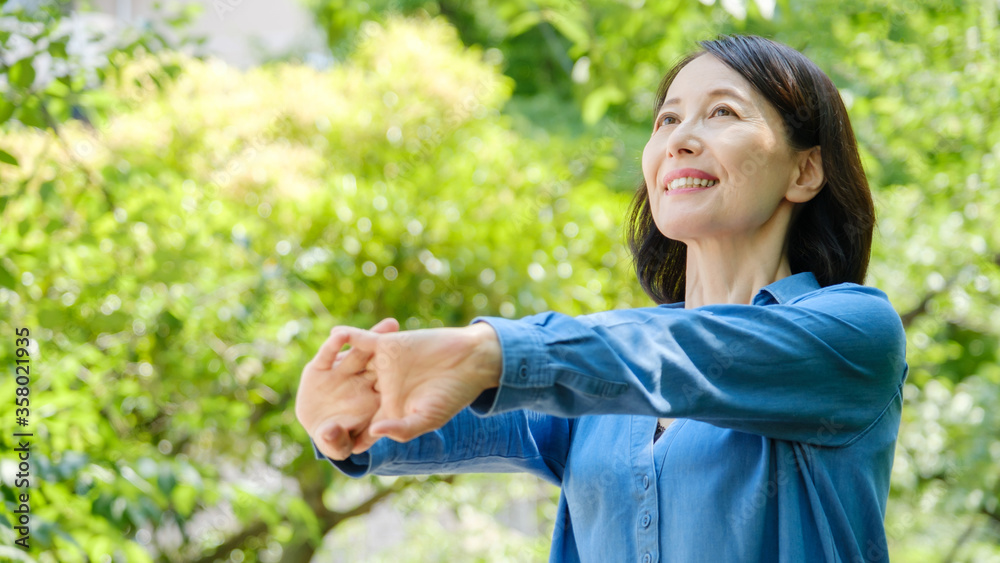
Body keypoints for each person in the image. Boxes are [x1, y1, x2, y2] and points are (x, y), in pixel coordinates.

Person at [295, 34, 908, 563]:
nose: (680, 139)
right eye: (667, 119)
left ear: (804, 172)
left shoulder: (854, 335)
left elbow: (694, 357)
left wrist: (486, 353)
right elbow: (413, 423)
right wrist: (357, 407)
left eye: (722, 113)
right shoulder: (598, 372)